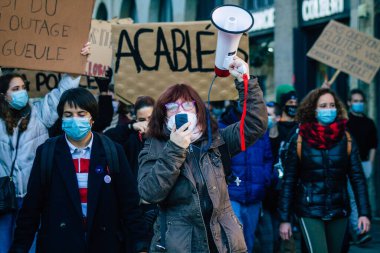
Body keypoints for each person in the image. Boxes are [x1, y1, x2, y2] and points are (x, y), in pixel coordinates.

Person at [137, 57, 267, 252]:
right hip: (181, 244)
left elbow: (255, 125)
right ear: (163, 115)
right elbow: (149, 192)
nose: (181, 111)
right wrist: (175, 149)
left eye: (187, 105)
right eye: (172, 107)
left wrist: (245, 82)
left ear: (198, 109)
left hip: (222, 240)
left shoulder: (217, 139)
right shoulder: (154, 145)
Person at [10, 88, 148, 253]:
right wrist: (19, 247)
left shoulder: (112, 150)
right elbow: (31, 207)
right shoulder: (47, 152)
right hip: (59, 244)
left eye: (81, 114)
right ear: (61, 118)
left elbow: (129, 203)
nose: (75, 119)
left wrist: (140, 244)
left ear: (92, 118)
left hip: (104, 244)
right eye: (68, 114)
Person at [0, 43, 90, 253]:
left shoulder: (38, 111)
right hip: (3, 197)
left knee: (30, 245)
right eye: (15, 89)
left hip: (32, 196)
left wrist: (76, 61)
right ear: (4, 95)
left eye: (23, 87)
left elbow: (63, 91)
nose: (22, 92)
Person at [278, 88, 371, 253]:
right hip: (309, 210)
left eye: (332, 105)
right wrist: (284, 219)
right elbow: (289, 181)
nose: (329, 109)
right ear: (313, 109)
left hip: (338, 210)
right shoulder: (300, 139)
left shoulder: (346, 138)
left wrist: (364, 213)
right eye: (323, 105)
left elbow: (358, 178)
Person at [218, 102, 273, 253]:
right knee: (234, 242)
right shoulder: (223, 125)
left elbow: (268, 158)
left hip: (255, 195)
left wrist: (263, 179)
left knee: (248, 241)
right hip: (232, 194)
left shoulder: (260, 127)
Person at [345, 88, 377, 245]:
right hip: (349, 165)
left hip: (364, 164)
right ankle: (359, 231)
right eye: (355, 101)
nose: (359, 104)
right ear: (349, 103)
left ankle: (361, 227)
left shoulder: (369, 122)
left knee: (362, 196)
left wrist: (370, 163)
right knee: (352, 197)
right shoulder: (346, 121)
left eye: (361, 101)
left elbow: (373, 145)